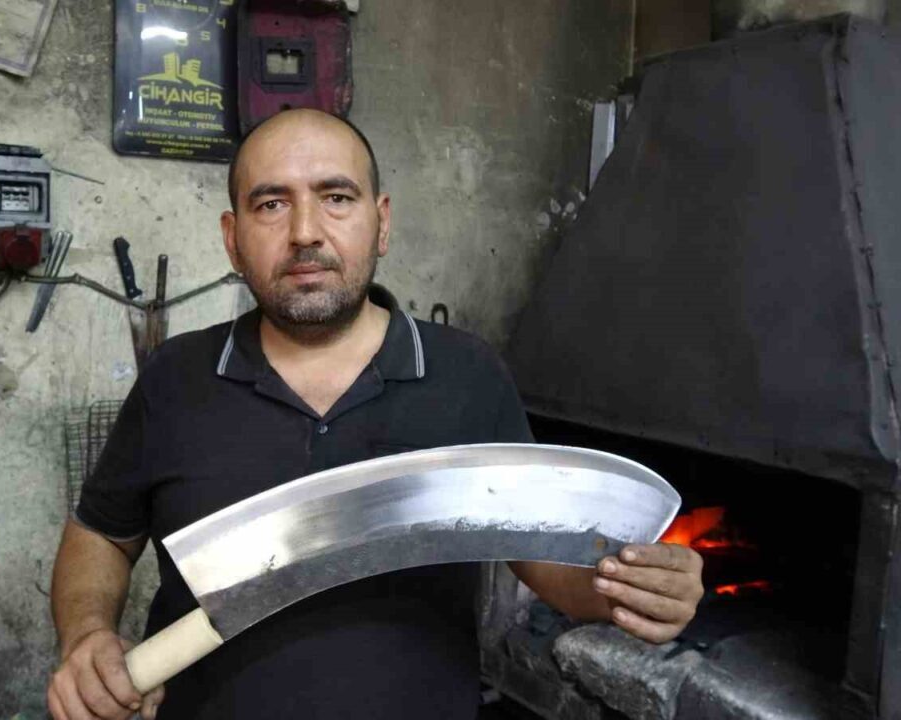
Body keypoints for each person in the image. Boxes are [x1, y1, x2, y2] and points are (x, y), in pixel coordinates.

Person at [47, 109, 704, 720]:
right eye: (271, 204)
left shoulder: (468, 375)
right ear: (232, 238)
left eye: (336, 197)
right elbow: (101, 534)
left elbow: (544, 563)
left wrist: (625, 590)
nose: (306, 232)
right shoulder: (176, 378)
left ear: (381, 223)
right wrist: (87, 635)